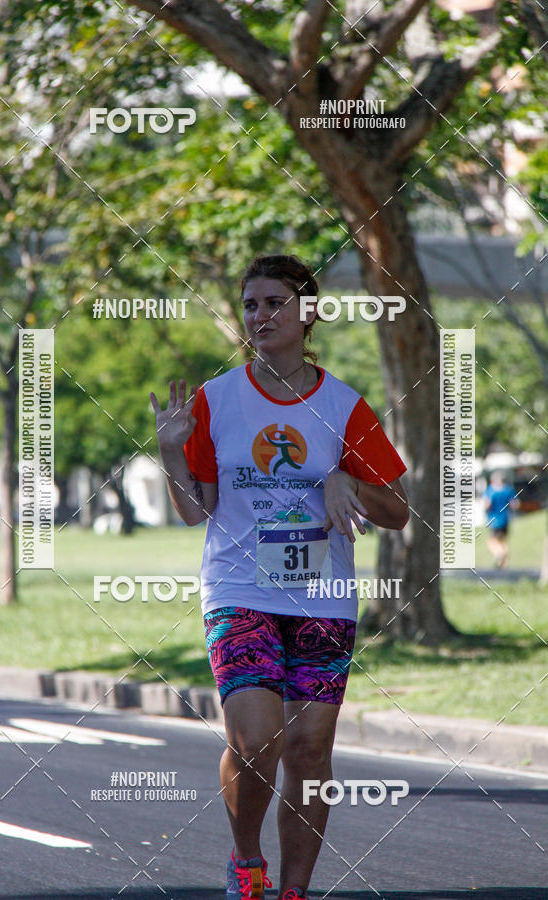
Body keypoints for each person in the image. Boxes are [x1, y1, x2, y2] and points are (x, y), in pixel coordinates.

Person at [150, 255, 409, 900]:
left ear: (308, 312)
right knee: (256, 737)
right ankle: (246, 858)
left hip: (321, 591)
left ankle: (294, 889)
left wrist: (344, 479)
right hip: (239, 589)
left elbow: (398, 512)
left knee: (311, 749)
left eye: (274, 303)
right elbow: (193, 510)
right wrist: (169, 452)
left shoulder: (344, 406)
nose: (259, 316)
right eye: (250, 305)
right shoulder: (216, 400)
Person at [483, 471, 518, 569]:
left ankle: (499, 554)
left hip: (494, 520)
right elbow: (515, 504)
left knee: (492, 542)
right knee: (503, 541)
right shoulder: (508, 490)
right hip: (505, 520)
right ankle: (502, 565)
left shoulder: (490, 490)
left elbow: (487, 504)